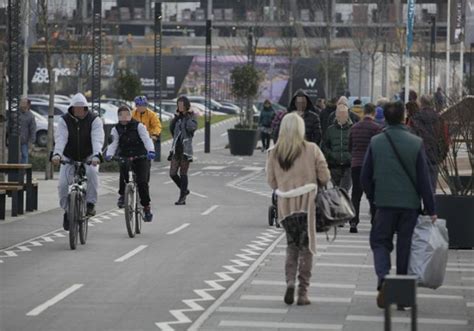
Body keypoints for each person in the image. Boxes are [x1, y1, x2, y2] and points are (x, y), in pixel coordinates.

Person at [361, 101, 437, 309]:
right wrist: (431, 209)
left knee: (379, 242)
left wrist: (373, 198)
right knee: (405, 248)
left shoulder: (376, 142)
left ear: (384, 118)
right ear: (404, 118)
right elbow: (424, 180)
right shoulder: (416, 143)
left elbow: (365, 176)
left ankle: (384, 278)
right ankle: (402, 297)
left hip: (384, 204)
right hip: (410, 206)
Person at [267, 113, 330, 306]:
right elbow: (325, 176)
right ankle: (303, 292)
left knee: (291, 247)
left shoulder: (274, 152)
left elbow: (271, 181)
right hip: (307, 206)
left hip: (286, 208)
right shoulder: (311, 149)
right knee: (307, 249)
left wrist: (286, 185)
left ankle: (289, 282)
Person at [52, 93, 104, 231]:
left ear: (86, 108)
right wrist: (57, 154)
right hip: (69, 156)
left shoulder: (94, 120)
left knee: (92, 173)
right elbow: (61, 138)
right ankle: (68, 212)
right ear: (72, 108)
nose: (79, 111)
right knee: (62, 184)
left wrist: (96, 155)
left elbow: (97, 139)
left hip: (88, 156)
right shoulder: (64, 120)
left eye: (82, 108)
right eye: (76, 108)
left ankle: (90, 204)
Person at [105, 106, 155, 222]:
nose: (124, 118)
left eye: (126, 115)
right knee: (123, 169)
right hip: (125, 155)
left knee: (142, 182)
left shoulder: (139, 126)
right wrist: (109, 154)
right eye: (121, 115)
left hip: (141, 155)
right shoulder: (116, 129)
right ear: (118, 117)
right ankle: (123, 195)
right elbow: (113, 143)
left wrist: (151, 151)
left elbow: (147, 139)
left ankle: (146, 207)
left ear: (130, 115)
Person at [348, 103, 380, 233]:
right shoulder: (376, 128)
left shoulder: (354, 127)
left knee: (356, 194)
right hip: (371, 165)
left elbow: (349, 146)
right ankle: (375, 222)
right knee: (372, 195)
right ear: (374, 113)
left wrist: (355, 155)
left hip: (356, 164)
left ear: (363, 112)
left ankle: (353, 222)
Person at [408, 94, 448, 191]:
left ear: (421, 103)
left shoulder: (414, 119)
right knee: (431, 188)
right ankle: (429, 205)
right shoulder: (440, 120)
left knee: (417, 187)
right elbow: (445, 139)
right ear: (432, 103)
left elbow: (409, 139)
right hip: (434, 157)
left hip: (418, 156)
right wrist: (441, 156)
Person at [168, 96, 198, 205]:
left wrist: (188, 116)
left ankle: (182, 198)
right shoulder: (177, 117)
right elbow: (171, 129)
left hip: (186, 150)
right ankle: (184, 190)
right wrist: (176, 118)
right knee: (172, 173)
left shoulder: (192, 116)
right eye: (178, 105)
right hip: (176, 149)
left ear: (186, 105)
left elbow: (191, 129)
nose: (180, 107)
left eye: (181, 105)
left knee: (183, 173)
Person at [322, 103, 353, 192]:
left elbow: (356, 146)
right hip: (334, 166)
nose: (342, 115)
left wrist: (350, 156)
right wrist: (331, 155)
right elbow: (324, 146)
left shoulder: (352, 129)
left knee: (344, 190)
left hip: (348, 166)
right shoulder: (330, 130)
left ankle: (342, 205)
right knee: (336, 190)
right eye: (340, 113)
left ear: (347, 115)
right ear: (336, 115)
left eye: (344, 113)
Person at [18, 98, 36, 164]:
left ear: (28, 105)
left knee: (24, 155)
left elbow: (33, 129)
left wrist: (32, 141)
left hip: (24, 141)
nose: (22, 105)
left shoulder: (30, 116)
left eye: (23, 103)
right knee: (15, 155)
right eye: (21, 103)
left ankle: (22, 172)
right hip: (15, 140)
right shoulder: (16, 114)